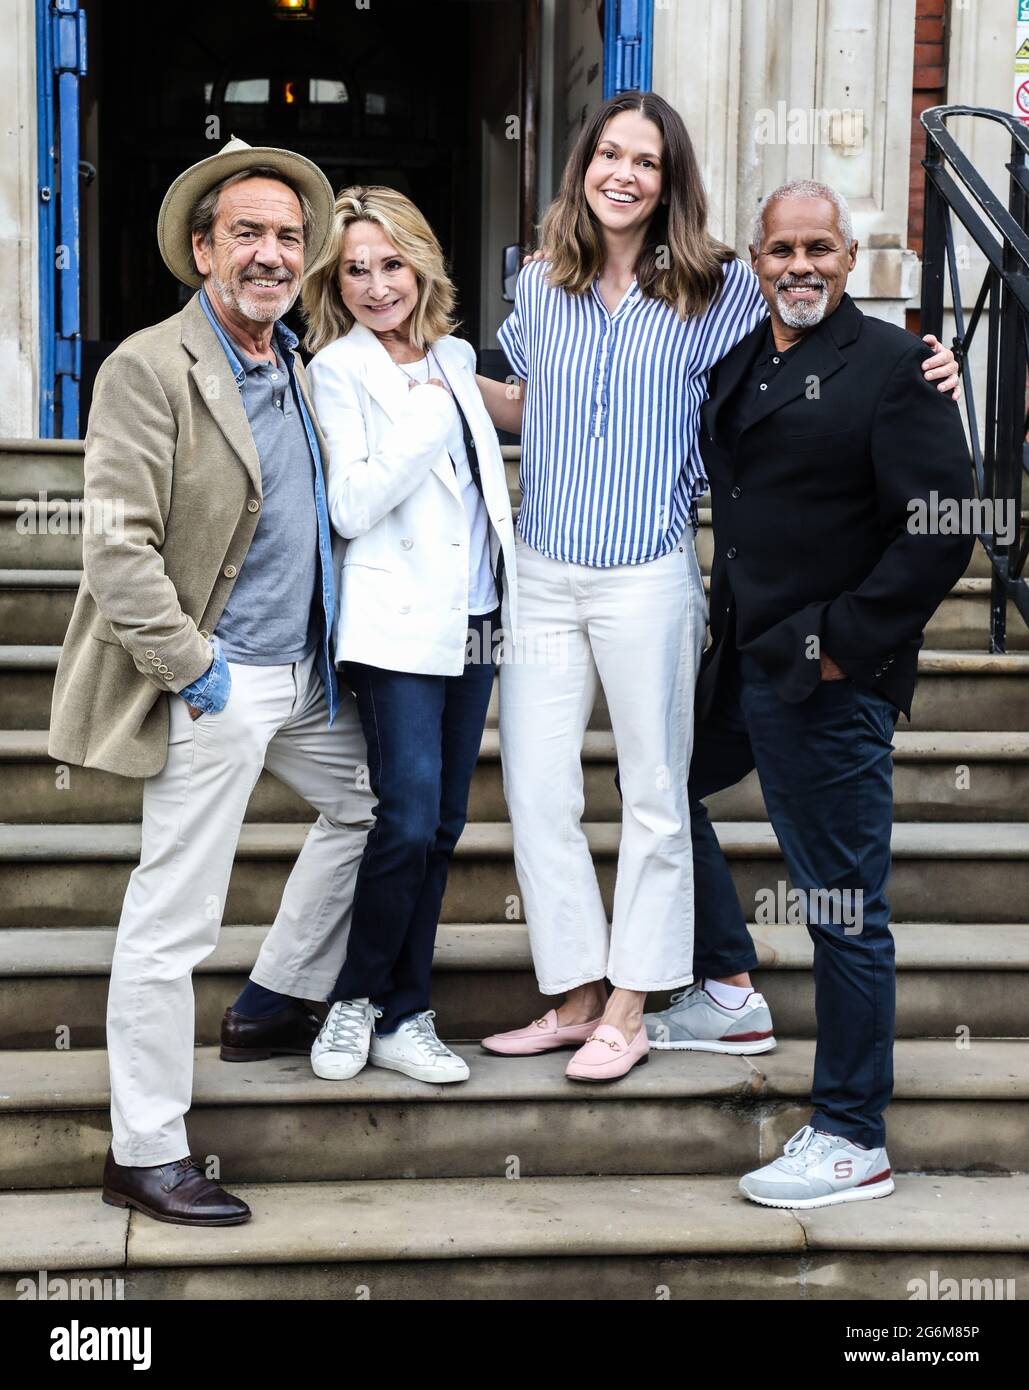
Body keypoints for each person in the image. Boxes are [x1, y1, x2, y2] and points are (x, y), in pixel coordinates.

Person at [477, 91, 959, 1081]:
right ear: (582, 168)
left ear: (669, 181)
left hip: (650, 570)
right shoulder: (538, 283)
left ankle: (630, 1004)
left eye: (646, 161)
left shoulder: (719, 287)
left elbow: (819, 330)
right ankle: (571, 992)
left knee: (656, 791)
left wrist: (929, 361)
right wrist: (412, 365)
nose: (623, 173)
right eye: (608, 154)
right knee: (536, 787)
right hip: (542, 567)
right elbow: (521, 403)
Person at [48, 137, 374, 1226]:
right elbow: (114, 546)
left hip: (306, 678)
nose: (272, 253)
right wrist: (199, 672)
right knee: (171, 918)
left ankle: (274, 994)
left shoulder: (301, 360)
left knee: (371, 807)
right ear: (203, 250)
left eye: (289, 236)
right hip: (217, 678)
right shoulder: (150, 366)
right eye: (249, 233)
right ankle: (144, 1149)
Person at [645, 179, 974, 1208]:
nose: (800, 266)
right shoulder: (745, 354)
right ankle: (729, 987)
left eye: (820, 249)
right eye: (781, 248)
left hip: (827, 676)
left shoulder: (892, 364)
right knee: (664, 790)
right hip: (744, 658)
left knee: (841, 906)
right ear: (756, 257)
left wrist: (842, 647)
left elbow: (943, 526)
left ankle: (850, 1131)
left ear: (852, 256)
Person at [300, 187, 518, 1083]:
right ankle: (354, 1001)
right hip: (392, 628)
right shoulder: (336, 371)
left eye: (390, 263)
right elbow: (348, 506)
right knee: (406, 815)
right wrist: (429, 413)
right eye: (354, 269)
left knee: (445, 825)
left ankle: (406, 1012)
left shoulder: (457, 355)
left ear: (421, 262)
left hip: (474, 619)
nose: (375, 285)